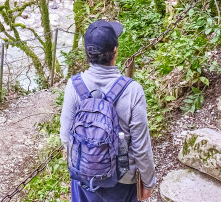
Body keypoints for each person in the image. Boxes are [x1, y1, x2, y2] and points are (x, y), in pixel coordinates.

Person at [59, 20, 156, 202]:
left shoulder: (73, 86)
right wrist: (148, 182)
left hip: (84, 180)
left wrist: (90, 161)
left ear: (87, 53)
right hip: (122, 182)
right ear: (115, 51)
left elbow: (65, 137)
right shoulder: (132, 90)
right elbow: (141, 148)